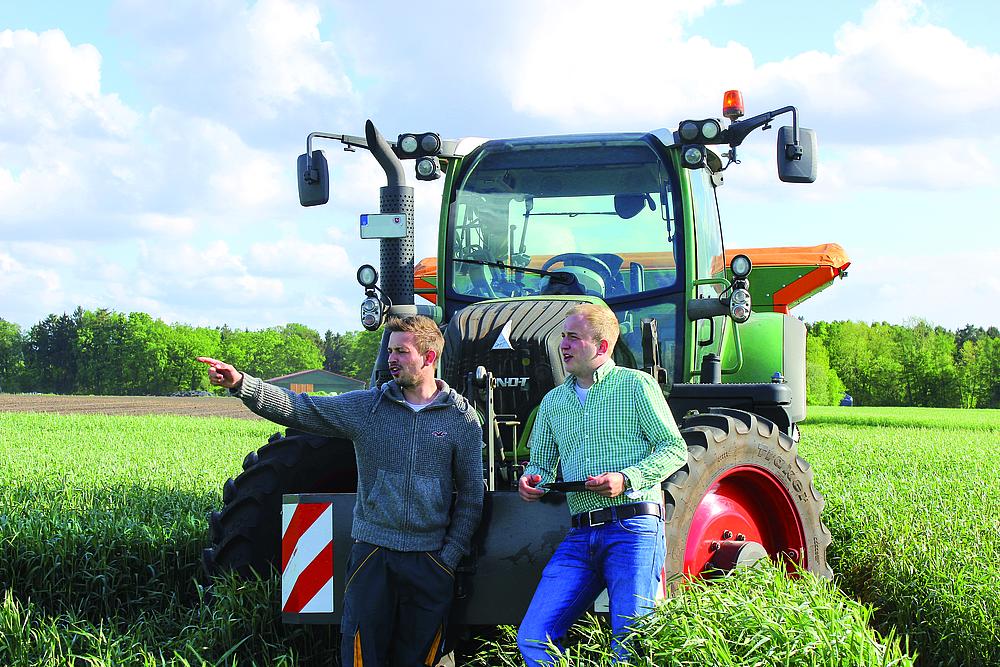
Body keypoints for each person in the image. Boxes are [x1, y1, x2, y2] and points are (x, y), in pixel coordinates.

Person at [197, 315, 483, 666]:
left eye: (401, 352)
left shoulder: (461, 419)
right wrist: (242, 384)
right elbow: (301, 408)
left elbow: (471, 495)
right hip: (373, 557)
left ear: (429, 357)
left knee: (421, 659)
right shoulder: (368, 408)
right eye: (390, 351)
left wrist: (448, 558)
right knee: (361, 657)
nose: (391, 359)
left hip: (429, 562)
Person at [516, 303, 687, 665]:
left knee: (630, 643)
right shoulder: (552, 401)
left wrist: (626, 479)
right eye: (563, 336)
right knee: (534, 636)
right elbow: (541, 464)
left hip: (633, 528)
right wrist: (532, 481)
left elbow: (675, 449)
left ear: (602, 346)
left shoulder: (636, 385)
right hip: (580, 534)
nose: (563, 344)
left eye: (573, 337)